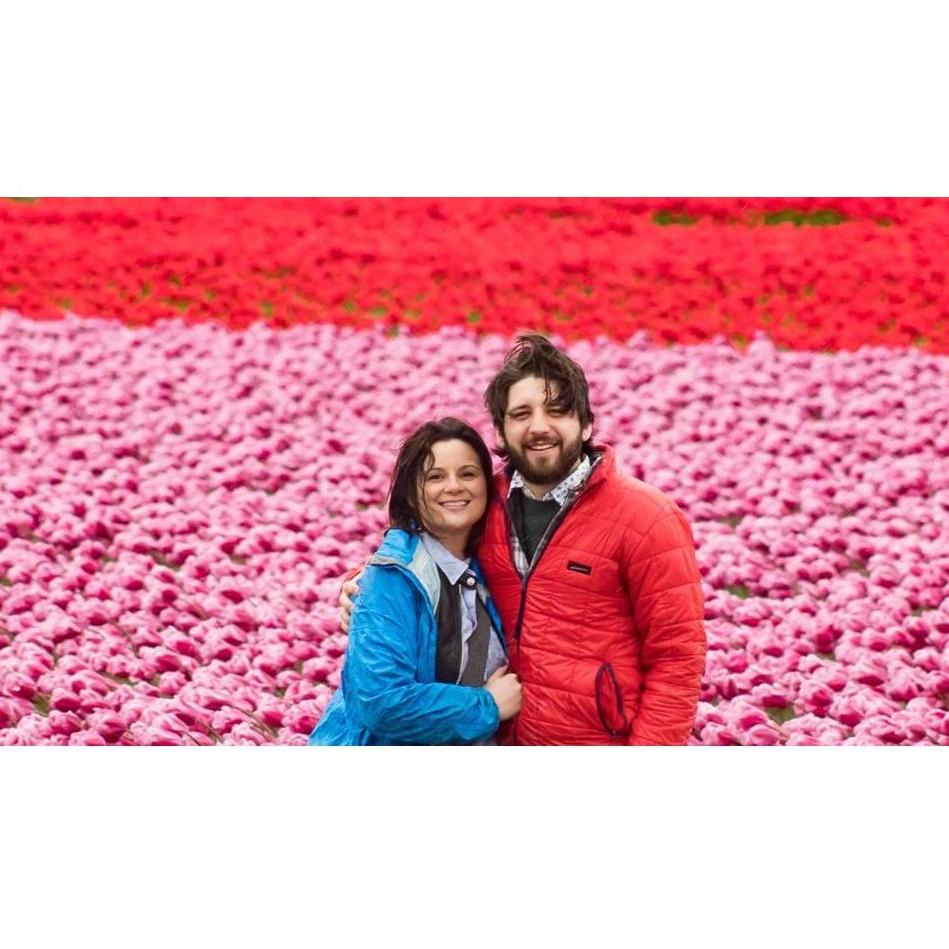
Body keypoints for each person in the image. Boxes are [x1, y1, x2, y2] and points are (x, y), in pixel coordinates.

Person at [337, 334, 707, 745]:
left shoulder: (647, 518)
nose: (539, 427)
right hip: (501, 737)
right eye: (521, 414)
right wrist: (363, 586)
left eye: (557, 411)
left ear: (586, 424)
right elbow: (427, 550)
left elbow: (677, 657)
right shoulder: (482, 504)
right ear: (500, 431)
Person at [309, 417, 522, 745]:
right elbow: (381, 703)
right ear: (412, 493)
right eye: (435, 476)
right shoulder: (390, 580)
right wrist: (487, 704)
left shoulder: (493, 566)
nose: (454, 486)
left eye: (467, 473)